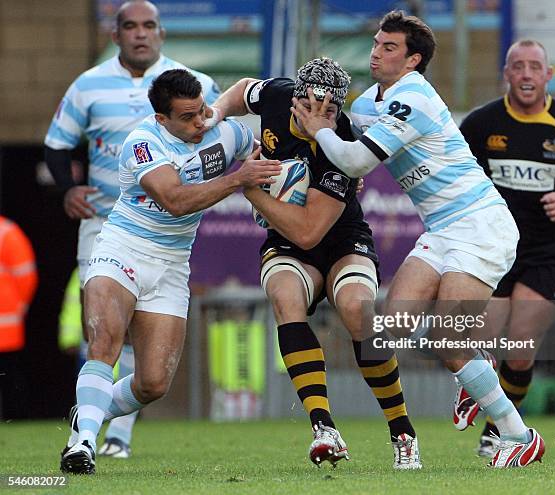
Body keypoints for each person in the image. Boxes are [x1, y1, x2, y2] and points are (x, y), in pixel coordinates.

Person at [291, 11, 545, 468]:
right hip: (443, 229)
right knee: (390, 329)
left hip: (480, 224)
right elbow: (344, 144)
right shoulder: (370, 102)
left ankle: (519, 434)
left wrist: (321, 130)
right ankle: (475, 374)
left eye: (390, 47)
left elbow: (352, 161)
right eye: (376, 42)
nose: (376, 51)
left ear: (413, 61)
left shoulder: (414, 98)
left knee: (449, 341)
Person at [59, 69, 281, 475]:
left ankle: (86, 415)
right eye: (187, 117)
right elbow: (175, 201)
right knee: (105, 340)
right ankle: (85, 445)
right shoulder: (143, 143)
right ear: (163, 119)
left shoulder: (223, 131)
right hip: (122, 247)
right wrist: (238, 180)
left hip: (172, 263)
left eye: (201, 111)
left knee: (153, 384)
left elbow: (267, 146)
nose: (200, 123)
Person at [209, 57, 419, 469]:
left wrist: (249, 189)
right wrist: (215, 113)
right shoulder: (276, 95)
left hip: (339, 238)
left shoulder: (343, 142)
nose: (320, 115)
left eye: (331, 108)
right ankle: (324, 428)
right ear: (296, 98)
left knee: (359, 311)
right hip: (286, 241)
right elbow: (242, 89)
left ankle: (403, 432)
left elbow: (309, 232)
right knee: (285, 297)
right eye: (312, 104)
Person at [44, 0, 220, 459]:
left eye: (149, 26)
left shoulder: (191, 85)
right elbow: (57, 145)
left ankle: (104, 423)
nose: (140, 34)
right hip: (109, 224)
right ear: (116, 33)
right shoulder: (88, 85)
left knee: (153, 380)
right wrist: (69, 189)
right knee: (103, 331)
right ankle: (87, 440)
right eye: (130, 26)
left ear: (161, 33)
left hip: (168, 241)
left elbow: (231, 120)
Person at [457, 39, 555, 457]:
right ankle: (486, 404)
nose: (525, 74)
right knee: (480, 341)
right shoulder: (482, 123)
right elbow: (456, 173)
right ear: (506, 73)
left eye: (534, 67)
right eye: (517, 66)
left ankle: (497, 432)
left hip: (547, 253)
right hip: (494, 248)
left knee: (520, 347)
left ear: (548, 74)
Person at [0, 216, 38, 419]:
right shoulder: (7, 231)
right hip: (7, 323)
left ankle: (15, 417)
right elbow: (26, 277)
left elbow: (26, 276)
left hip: (5, 326)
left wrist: (17, 308)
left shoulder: (7, 232)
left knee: (9, 376)